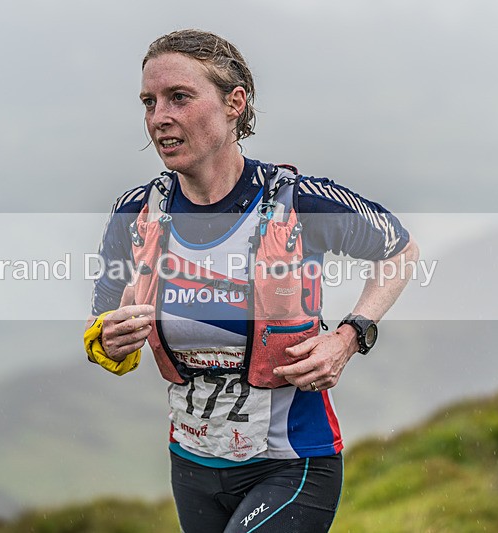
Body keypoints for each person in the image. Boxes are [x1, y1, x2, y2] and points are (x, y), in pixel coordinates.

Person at [84, 29, 419, 532]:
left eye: (179, 97)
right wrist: (109, 339)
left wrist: (349, 337)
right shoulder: (135, 214)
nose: (159, 118)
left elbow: (400, 250)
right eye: (149, 102)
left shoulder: (298, 201)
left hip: (293, 463)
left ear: (234, 102)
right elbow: (101, 327)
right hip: (193, 464)